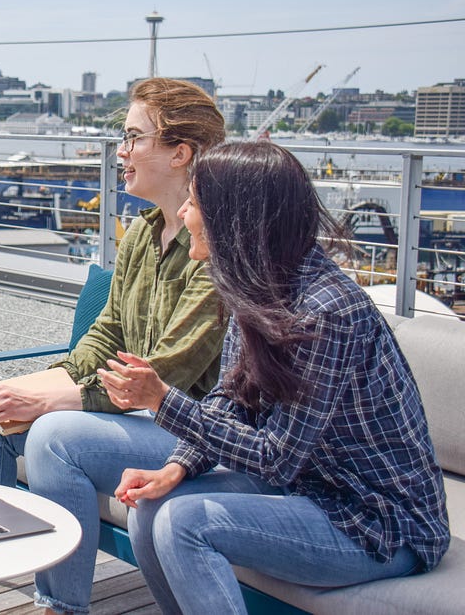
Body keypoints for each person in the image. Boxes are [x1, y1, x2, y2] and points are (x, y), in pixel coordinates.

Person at [110, 141, 450, 614]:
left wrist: (163, 400)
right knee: (149, 511)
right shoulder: (259, 289)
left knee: (186, 522)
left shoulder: (326, 312)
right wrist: (176, 467)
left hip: (379, 522)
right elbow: (231, 400)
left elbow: (275, 458)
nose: (184, 211)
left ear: (233, 220)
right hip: (313, 491)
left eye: (195, 202)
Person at [0, 78, 229, 615]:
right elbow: (104, 336)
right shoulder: (143, 234)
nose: (121, 152)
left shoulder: (214, 249)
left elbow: (163, 374)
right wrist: (39, 385)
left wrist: (53, 401)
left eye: (133, 138)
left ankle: (61, 608)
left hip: (186, 429)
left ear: (180, 153)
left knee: (57, 437)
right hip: (131, 409)